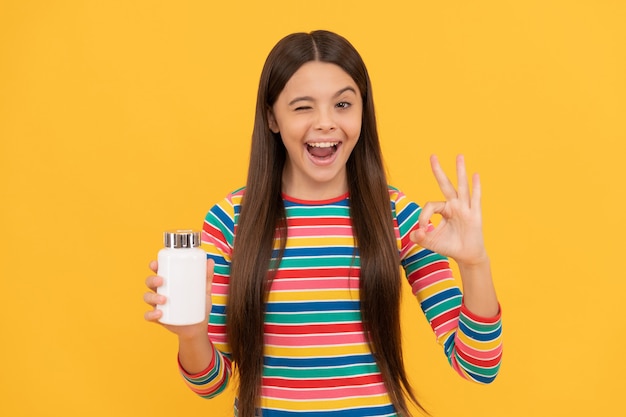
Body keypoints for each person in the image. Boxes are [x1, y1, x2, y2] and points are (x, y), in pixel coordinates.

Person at [144, 30, 502, 417]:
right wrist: (192, 333)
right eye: (303, 108)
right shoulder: (231, 219)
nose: (327, 123)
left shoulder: (397, 215)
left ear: (363, 111)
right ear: (272, 117)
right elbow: (209, 384)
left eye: (343, 105)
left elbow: (478, 365)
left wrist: (474, 263)